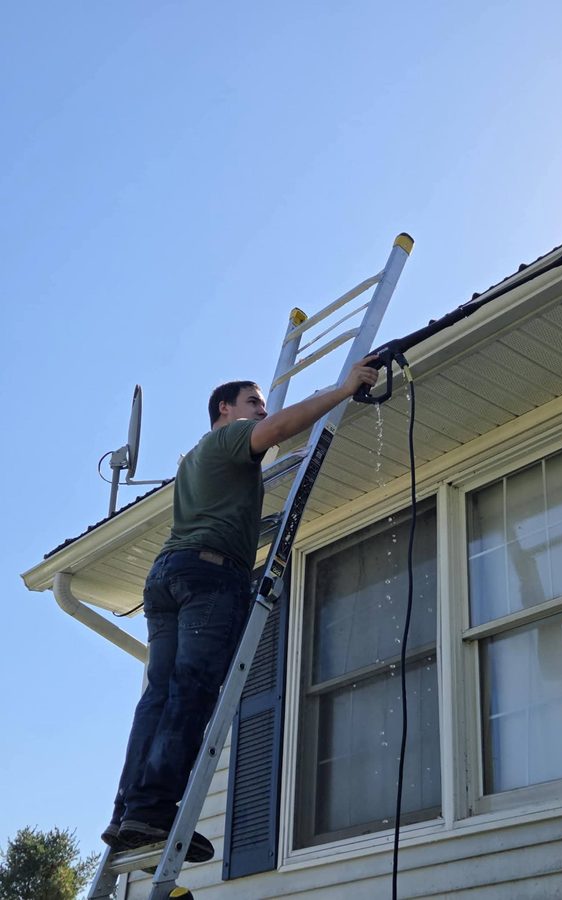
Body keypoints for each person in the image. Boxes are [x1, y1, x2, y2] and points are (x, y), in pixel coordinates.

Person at [101, 357, 379, 860]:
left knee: (158, 698)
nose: (261, 412)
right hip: (209, 576)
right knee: (191, 694)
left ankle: (129, 812)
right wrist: (343, 390)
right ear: (223, 410)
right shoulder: (229, 439)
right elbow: (276, 430)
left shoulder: (195, 459)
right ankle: (156, 810)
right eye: (252, 402)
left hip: (168, 577)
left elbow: (272, 431)